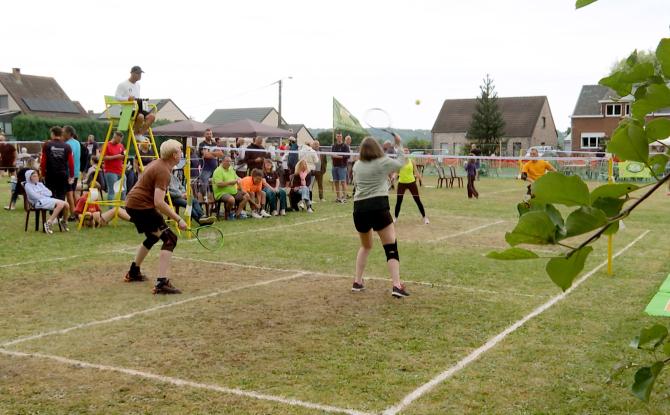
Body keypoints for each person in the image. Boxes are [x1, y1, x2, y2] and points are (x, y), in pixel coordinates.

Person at [123, 139, 187, 294]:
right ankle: (161, 283)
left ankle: (133, 272)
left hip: (134, 204)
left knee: (152, 237)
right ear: (174, 155)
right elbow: (158, 202)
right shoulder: (163, 170)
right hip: (141, 207)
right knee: (170, 239)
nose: (182, 153)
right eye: (180, 151)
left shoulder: (159, 164)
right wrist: (178, 219)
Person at [351, 134, 409, 298]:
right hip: (378, 207)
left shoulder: (357, 165)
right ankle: (397, 286)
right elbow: (401, 163)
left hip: (359, 209)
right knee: (391, 247)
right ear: (377, 148)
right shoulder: (382, 162)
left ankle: (357, 281)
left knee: (366, 246)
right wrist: (398, 144)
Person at [115, 66, 155, 139]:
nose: (140, 75)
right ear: (132, 73)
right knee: (140, 116)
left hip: (136, 108)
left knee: (152, 117)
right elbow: (117, 97)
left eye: (140, 74)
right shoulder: (122, 84)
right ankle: (136, 134)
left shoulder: (138, 85)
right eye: (138, 73)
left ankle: (139, 135)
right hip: (126, 110)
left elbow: (136, 99)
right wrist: (128, 99)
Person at [41, 126, 75, 203]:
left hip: (50, 174)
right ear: (61, 134)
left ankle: (53, 212)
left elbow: (43, 161)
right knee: (61, 194)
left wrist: (43, 174)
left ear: (53, 134)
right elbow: (71, 163)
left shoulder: (47, 145)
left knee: (50, 193)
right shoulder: (67, 146)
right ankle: (60, 213)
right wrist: (71, 175)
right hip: (63, 174)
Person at [394, 148, 428, 224]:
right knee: (399, 201)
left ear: (409, 153)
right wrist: (393, 177)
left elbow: (416, 172)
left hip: (411, 183)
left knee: (417, 200)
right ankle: (395, 218)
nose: (406, 152)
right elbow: (396, 173)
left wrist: (421, 181)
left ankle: (425, 217)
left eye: (407, 151)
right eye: (404, 151)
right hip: (401, 183)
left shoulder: (412, 161)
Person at [197, 128, 223, 199]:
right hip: (205, 169)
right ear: (204, 135)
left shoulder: (214, 143)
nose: (209, 135)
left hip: (215, 168)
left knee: (215, 186)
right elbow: (206, 155)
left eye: (210, 134)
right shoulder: (202, 144)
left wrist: (210, 152)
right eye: (207, 134)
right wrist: (215, 154)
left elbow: (221, 154)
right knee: (204, 187)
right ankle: (203, 202)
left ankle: (214, 204)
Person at [63, 126, 81, 221]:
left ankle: (73, 214)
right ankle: (76, 212)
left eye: (63, 132)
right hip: (76, 172)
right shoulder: (77, 142)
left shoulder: (68, 144)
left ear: (69, 133)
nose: (62, 134)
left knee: (69, 193)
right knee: (73, 193)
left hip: (69, 172)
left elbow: (69, 157)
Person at [103, 131, 126, 203]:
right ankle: (111, 209)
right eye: (119, 140)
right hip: (110, 171)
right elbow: (103, 158)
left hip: (120, 171)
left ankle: (123, 209)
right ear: (115, 137)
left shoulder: (121, 146)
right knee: (112, 191)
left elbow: (123, 155)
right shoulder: (107, 145)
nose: (120, 141)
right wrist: (116, 156)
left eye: (121, 140)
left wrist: (124, 156)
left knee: (123, 190)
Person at [331, 132, 350, 203]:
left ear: (342, 137)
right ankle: (338, 197)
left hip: (342, 167)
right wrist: (335, 156)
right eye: (338, 136)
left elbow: (348, 156)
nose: (339, 137)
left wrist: (339, 156)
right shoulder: (334, 146)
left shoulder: (345, 146)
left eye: (340, 136)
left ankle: (344, 198)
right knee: (336, 181)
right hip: (334, 166)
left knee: (343, 182)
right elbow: (332, 155)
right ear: (336, 137)